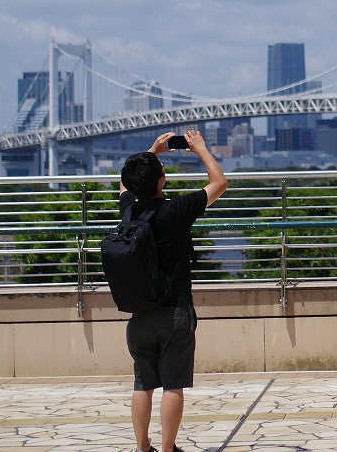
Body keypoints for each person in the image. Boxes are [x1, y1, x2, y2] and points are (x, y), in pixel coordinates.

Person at [118, 129, 228, 452]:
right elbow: (219, 183)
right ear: (161, 182)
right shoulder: (175, 211)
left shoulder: (129, 213)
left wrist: (152, 152)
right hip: (174, 313)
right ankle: (167, 449)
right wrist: (201, 149)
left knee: (143, 383)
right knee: (172, 385)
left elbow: (125, 185)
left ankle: (142, 448)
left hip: (140, 316)